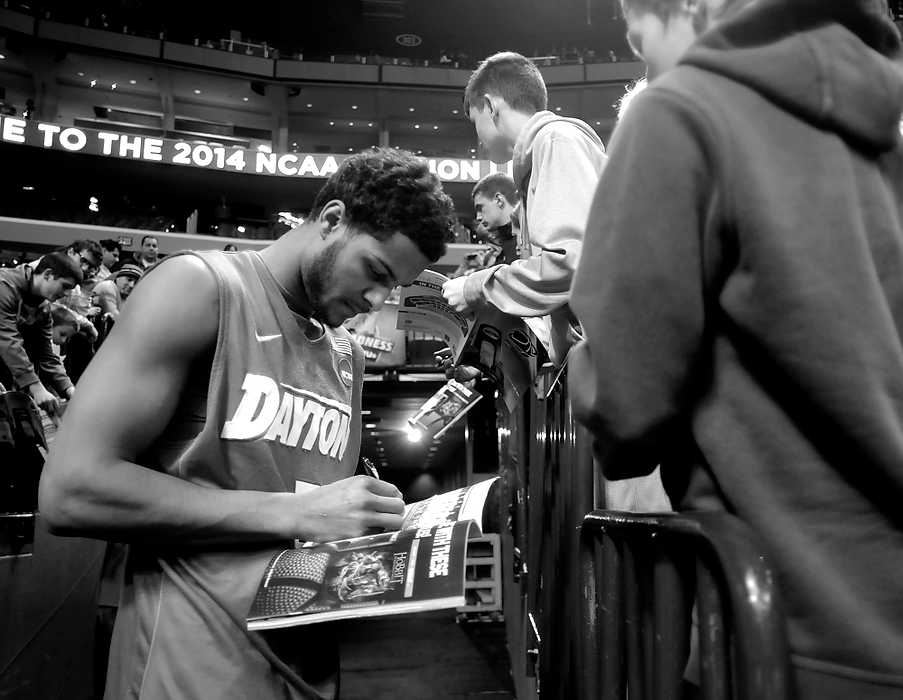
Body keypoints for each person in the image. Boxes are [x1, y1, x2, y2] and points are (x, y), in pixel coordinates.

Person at [568, 1, 903, 698]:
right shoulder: (886, 130)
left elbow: (627, 404)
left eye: (638, 38)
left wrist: (578, 369)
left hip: (789, 625)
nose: (642, 63)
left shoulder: (680, 110)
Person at [38, 147, 456, 700]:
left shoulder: (347, 356)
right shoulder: (198, 288)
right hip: (186, 666)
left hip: (302, 671)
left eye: (393, 287)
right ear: (331, 220)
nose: (377, 299)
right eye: (375, 272)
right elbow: (71, 491)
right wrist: (298, 514)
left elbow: (310, 521)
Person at [441, 51, 607, 364]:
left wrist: (477, 286)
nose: (477, 140)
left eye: (475, 121)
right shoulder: (540, 155)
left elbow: (571, 266)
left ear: (490, 107)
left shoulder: (556, 140)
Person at [0, 252, 81, 416]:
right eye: (65, 286)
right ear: (48, 274)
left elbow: (46, 353)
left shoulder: (43, 308)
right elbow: (7, 340)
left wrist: (69, 389)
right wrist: (35, 386)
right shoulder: (4, 287)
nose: (66, 294)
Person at [470, 172, 520, 265]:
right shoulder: (500, 249)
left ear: (499, 200)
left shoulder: (530, 238)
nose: (478, 217)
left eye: (480, 208)